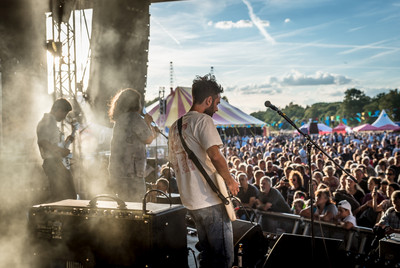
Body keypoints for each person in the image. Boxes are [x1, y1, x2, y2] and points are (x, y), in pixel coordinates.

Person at [168, 74, 239, 268]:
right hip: (210, 200)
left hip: (191, 201)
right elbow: (215, 156)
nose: (216, 109)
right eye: (216, 103)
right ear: (208, 100)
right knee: (223, 259)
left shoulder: (175, 126)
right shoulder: (203, 121)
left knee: (207, 256)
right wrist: (231, 181)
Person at [108, 88, 157, 202]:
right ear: (136, 103)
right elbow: (149, 139)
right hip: (132, 174)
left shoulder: (120, 119)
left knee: (122, 206)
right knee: (136, 206)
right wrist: (148, 122)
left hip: (117, 172)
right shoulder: (134, 118)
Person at [36, 98, 77, 202]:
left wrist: (66, 142)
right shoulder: (47, 121)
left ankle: (60, 217)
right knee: (66, 196)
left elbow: (51, 143)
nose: (64, 117)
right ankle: (59, 217)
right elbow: (43, 142)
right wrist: (61, 151)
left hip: (55, 163)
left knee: (65, 196)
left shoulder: (50, 122)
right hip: (53, 163)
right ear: (58, 110)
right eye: (65, 113)